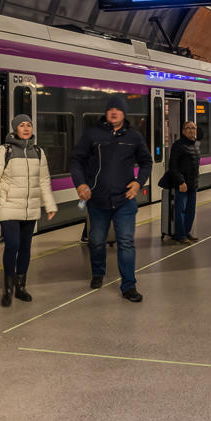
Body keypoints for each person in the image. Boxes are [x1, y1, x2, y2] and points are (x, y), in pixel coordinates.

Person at [71, 95, 152, 303]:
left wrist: (138, 183)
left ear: (124, 113)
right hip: (97, 200)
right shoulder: (92, 134)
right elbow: (76, 160)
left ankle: (129, 285)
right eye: (110, 109)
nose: (113, 112)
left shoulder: (134, 137)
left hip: (124, 200)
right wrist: (80, 183)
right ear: (106, 113)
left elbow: (146, 162)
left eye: (118, 109)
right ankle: (98, 272)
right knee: (97, 241)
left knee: (126, 242)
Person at [0, 115, 57, 307]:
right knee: (12, 245)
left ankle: (20, 287)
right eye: (21, 125)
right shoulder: (4, 150)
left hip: (30, 208)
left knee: (25, 247)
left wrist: (49, 204)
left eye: (29, 125)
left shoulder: (39, 152)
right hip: (8, 205)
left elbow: (43, 181)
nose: (26, 128)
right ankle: (7, 289)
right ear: (15, 129)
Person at [169, 120, 201, 244]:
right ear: (183, 131)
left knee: (191, 210)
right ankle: (180, 234)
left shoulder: (196, 145)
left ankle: (187, 232)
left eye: (193, 128)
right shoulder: (178, 145)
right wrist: (181, 182)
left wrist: (196, 181)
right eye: (188, 128)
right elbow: (173, 167)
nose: (191, 130)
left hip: (193, 184)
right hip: (183, 184)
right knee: (180, 210)